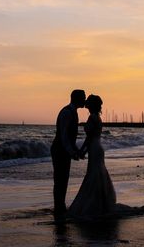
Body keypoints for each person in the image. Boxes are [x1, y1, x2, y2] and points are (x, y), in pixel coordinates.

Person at [68, 94, 116, 219]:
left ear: (91, 105)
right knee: (97, 174)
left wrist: (82, 151)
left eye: (88, 102)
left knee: (93, 175)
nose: (86, 103)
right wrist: (82, 150)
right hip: (97, 148)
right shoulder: (97, 117)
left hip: (94, 149)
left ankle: (94, 205)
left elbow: (89, 138)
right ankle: (101, 203)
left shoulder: (92, 118)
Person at [51, 89, 86, 218]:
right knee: (60, 179)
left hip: (64, 150)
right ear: (77, 98)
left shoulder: (73, 112)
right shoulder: (67, 112)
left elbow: (70, 138)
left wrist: (75, 150)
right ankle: (58, 207)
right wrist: (72, 152)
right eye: (83, 97)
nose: (85, 100)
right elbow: (64, 136)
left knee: (64, 179)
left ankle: (60, 206)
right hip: (59, 150)